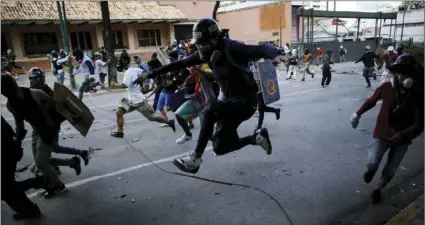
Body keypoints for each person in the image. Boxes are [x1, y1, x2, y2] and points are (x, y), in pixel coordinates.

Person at [134, 18, 282, 174]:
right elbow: (180, 64)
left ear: (215, 39)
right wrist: (152, 73)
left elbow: (261, 49)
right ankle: (256, 138)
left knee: (211, 108)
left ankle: (195, 159)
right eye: (198, 44)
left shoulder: (231, 48)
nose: (201, 47)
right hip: (229, 103)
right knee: (220, 148)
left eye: (204, 43)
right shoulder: (204, 54)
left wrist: (277, 54)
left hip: (245, 102)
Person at [350, 54, 424, 204]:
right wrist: (357, 114)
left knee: (390, 170)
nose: (405, 78)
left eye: (408, 74)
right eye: (402, 73)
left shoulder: (418, 95)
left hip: (402, 140)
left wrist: (402, 135)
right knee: (372, 162)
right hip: (382, 133)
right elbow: (371, 101)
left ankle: (378, 189)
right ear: (396, 73)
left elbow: (420, 124)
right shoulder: (386, 87)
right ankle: (370, 171)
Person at [2, 74, 67, 198]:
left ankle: (58, 186)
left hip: (48, 129)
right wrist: (17, 141)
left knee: (41, 162)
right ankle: (52, 182)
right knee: (41, 161)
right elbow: (19, 125)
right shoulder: (11, 104)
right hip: (37, 131)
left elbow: (56, 105)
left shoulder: (35, 93)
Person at [28, 67, 91, 176]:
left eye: (40, 78)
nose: (38, 81)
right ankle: (70, 161)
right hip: (39, 128)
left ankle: (75, 159)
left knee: (46, 155)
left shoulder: (46, 92)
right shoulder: (33, 91)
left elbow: (57, 109)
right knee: (51, 151)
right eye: (35, 79)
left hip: (49, 128)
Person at [1, 115, 47, 220]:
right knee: (7, 185)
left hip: (5, 152)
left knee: (5, 189)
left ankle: (36, 183)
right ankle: (30, 209)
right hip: (8, 149)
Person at [109, 67, 176, 138]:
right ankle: (120, 133)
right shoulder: (138, 70)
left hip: (139, 101)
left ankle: (169, 122)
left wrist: (114, 84)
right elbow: (145, 74)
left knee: (152, 116)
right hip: (131, 100)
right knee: (119, 112)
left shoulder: (128, 72)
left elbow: (125, 85)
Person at [250, 60, 281, 132]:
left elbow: (269, 75)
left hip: (262, 90)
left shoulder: (263, 66)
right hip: (256, 91)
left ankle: (259, 127)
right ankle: (276, 110)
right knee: (263, 108)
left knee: (261, 109)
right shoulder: (252, 68)